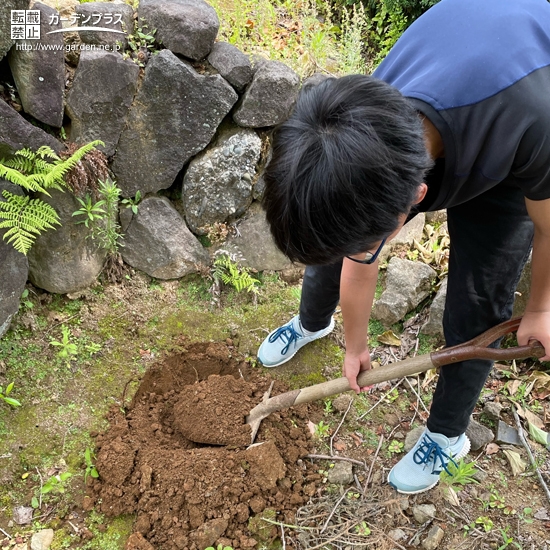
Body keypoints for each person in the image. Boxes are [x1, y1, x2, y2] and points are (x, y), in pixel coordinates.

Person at [256, 0, 550, 494]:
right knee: (340, 236)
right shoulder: (353, 116)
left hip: (516, 136)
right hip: (456, 69)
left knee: (478, 301)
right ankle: (313, 322)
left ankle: (447, 435)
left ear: (416, 200)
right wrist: (356, 348)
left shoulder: (536, 122)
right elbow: (357, 256)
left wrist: (541, 306)